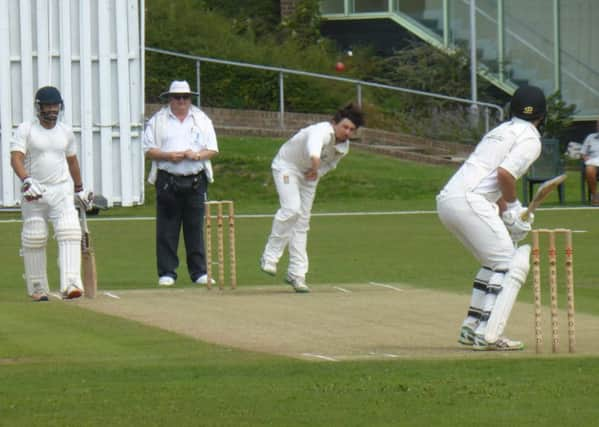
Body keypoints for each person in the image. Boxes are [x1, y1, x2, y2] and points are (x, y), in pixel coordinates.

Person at [436, 85, 547, 351]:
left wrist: (508, 212)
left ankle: (471, 327)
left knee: (494, 261)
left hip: (449, 199)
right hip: (471, 201)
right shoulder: (530, 138)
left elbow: (491, 178)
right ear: (542, 115)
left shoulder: (499, 131)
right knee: (510, 264)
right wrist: (513, 209)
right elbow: (505, 176)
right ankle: (488, 334)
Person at [260, 104, 364, 292]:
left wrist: (316, 172)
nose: (347, 132)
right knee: (292, 210)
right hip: (287, 166)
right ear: (335, 123)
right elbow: (314, 149)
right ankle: (270, 256)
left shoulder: (344, 147)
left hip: (310, 175)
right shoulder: (321, 131)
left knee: (302, 222)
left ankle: (297, 274)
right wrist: (315, 163)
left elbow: (329, 165)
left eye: (352, 129)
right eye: (345, 127)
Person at [10, 86, 93, 301]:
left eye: (55, 106)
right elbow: (16, 158)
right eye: (47, 106)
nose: (52, 110)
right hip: (35, 192)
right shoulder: (26, 129)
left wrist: (80, 188)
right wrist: (27, 180)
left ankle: (71, 284)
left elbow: (72, 161)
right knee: (35, 236)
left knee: (70, 232)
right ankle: (37, 287)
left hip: (61, 190)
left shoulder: (65, 132)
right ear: (39, 108)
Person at [143, 80, 219, 287]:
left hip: (195, 179)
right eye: (177, 97)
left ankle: (199, 272)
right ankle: (167, 272)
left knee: (195, 227)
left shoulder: (201, 119)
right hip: (168, 179)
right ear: (170, 99)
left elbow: (212, 149)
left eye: (185, 97)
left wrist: (195, 156)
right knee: (167, 228)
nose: (181, 101)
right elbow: (149, 149)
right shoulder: (158, 120)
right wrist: (168, 156)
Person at [580, 119, 599, 206]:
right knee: (589, 169)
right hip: (593, 162)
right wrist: (585, 158)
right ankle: (595, 195)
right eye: (598, 125)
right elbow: (583, 153)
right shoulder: (590, 137)